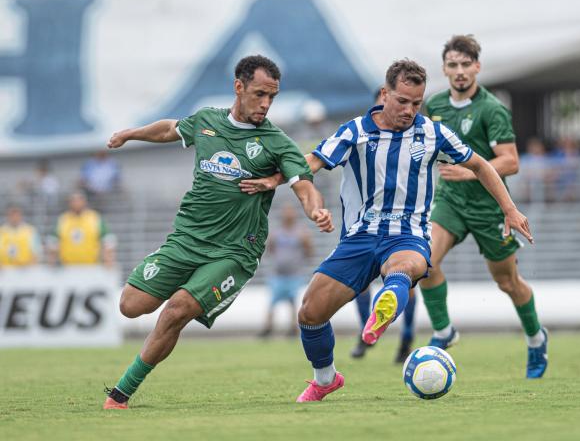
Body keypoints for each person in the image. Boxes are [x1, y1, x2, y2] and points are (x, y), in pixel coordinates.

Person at [240, 59, 533, 402]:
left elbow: (481, 164)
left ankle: (388, 299)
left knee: (404, 267)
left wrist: (510, 209)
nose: (409, 110)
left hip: (408, 235)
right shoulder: (355, 131)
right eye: (402, 101)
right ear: (384, 94)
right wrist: (275, 179)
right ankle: (325, 379)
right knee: (310, 311)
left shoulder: (432, 133)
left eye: (416, 103)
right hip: (359, 237)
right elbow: (314, 161)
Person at [102, 55, 333, 410]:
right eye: (259, 94)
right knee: (131, 306)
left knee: (176, 309)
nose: (266, 104)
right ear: (238, 87)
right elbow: (171, 129)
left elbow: (302, 182)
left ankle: (121, 394)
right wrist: (131, 134)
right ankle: (173, 297)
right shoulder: (207, 121)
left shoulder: (275, 142)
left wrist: (314, 208)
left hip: (234, 253)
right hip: (187, 240)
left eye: (272, 97)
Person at [421, 34, 547, 379]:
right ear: (444, 69)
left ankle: (536, 338)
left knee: (507, 283)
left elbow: (511, 161)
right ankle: (444, 330)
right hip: (449, 201)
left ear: (477, 67)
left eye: (465, 64)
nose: (459, 71)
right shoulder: (435, 105)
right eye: (453, 65)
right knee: (423, 262)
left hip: (490, 207)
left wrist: (466, 172)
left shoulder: (492, 109)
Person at [349, 87, 418, 364]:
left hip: (403, 225)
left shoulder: (417, 136)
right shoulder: (361, 134)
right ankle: (368, 329)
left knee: (405, 279)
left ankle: (406, 337)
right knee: (360, 284)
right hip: (364, 222)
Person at [259, 203, 312, 337]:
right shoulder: (277, 232)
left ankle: (293, 328)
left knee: (293, 302)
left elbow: (309, 251)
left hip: (294, 274)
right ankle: (268, 328)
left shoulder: (301, 232)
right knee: (272, 302)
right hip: (278, 274)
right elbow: (270, 249)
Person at [47, 192, 116, 267]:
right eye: (74, 201)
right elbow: (53, 242)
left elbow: (108, 240)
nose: (76, 203)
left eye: (79, 200)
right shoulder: (63, 220)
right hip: (68, 268)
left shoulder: (94, 218)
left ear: (84, 202)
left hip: (91, 267)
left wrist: (108, 259)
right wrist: (51, 261)